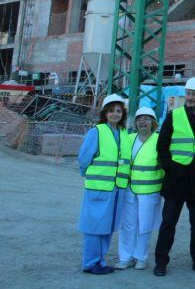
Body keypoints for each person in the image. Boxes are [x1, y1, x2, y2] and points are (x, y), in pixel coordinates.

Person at [154, 77, 195, 276]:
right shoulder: (173, 116)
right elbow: (162, 146)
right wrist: (170, 168)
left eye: (194, 94)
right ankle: (161, 262)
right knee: (168, 223)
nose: (190, 97)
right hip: (176, 179)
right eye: (188, 93)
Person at [78, 94, 129, 274]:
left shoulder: (123, 134)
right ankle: (90, 263)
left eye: (119, 111)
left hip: (116, 189)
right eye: (111, 111)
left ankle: (100, 261)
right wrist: (90, 175)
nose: (115, 114)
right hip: (99, 189)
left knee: (108, 227)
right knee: (94, 227)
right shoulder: (97, 132)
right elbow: (84, 158)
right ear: (105, 113)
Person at [117, 107, 164, 270]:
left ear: (153, 122)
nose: (142, 122)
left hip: (150, 192)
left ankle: (141, 257)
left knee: (145, 225)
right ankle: (125, 257)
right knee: (127, 225)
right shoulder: (129, 139)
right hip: (130, 190)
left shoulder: (159, 140)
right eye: (139, 119)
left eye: (146, 118)